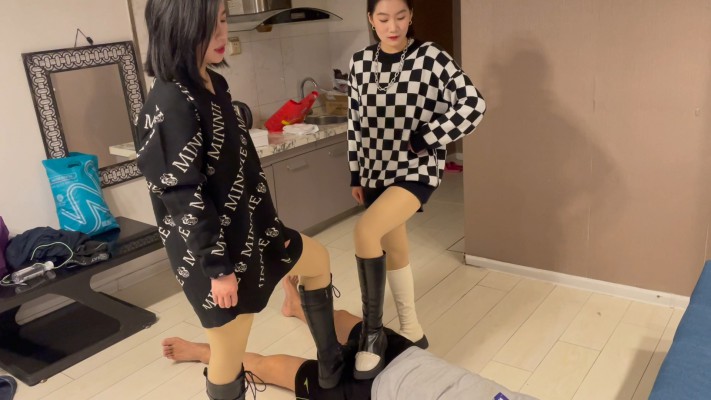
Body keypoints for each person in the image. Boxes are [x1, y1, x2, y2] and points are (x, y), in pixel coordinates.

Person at [136, 1, 343, 398]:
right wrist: (218, 271)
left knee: (317, 259)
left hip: (256, 232)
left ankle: (331, 365)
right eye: (208, 27)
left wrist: (271, 224)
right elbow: (184, 198)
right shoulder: (168, 104)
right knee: (227, 356)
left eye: (223, 21)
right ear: (177, 28)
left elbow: (243, 167)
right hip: (216, 257)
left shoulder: (214, 83)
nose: (222, 35)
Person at [347, 0, 487, 378]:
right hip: (374, 171)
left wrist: (427, 136)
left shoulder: (430, 58)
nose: (393, 26)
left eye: (400, 16)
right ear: (371, 20)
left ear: (411, 16)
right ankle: (412, 330)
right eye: (383, 18)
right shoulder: (360, 63)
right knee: (394, 246)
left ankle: (373, 335)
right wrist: (356, 173)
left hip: (415, 170)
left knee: (365, 232)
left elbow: (474, 105)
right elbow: (355, 121)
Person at [162, 277, 536, 400]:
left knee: (277, 370)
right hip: (406, 357)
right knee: (346, 322)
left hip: (368, 392)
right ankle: (299, 307)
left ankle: (204, 353)